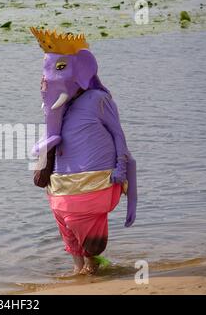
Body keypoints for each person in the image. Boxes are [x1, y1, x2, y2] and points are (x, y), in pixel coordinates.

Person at [30, 28, 137, 275]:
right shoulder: (60, 107)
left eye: (57, 69)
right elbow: (51, 138)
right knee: (68, 231)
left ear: (83, 69)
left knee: (90, 239)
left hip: (94, 184)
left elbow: (119, 136)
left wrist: (122, 170)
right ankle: (80, 269)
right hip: (58, 188)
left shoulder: (98, 100)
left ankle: (90, 267)